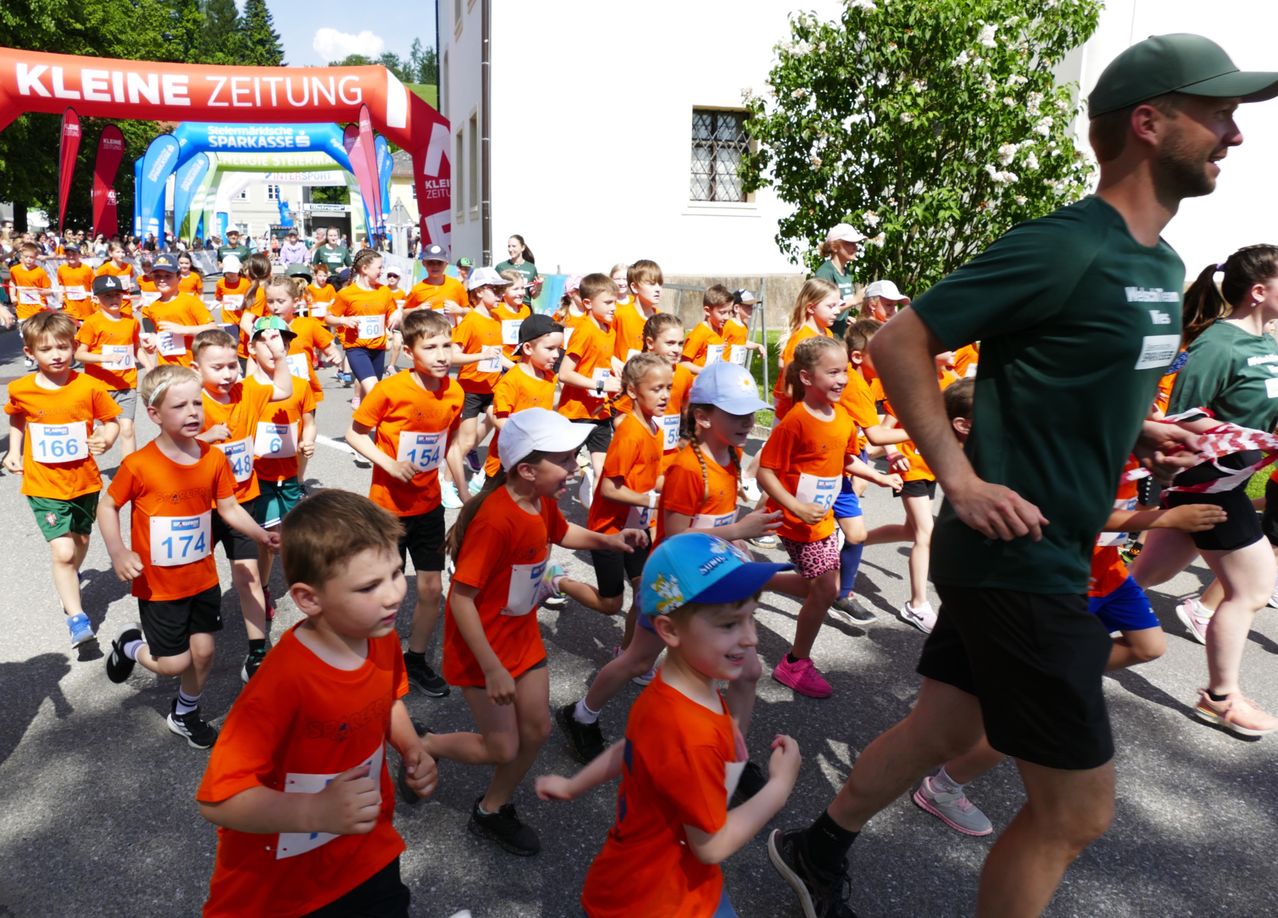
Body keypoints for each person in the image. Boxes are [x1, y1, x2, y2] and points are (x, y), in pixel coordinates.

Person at [766, 33, 1274, 917]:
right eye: (1219, 113)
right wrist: (957, 479)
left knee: (946, 727)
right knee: (1076, 811)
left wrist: (1145, 430)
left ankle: (816, 847)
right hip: (1020, 559)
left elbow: (1082, 377)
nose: (1234, 135)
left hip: (1052, 549)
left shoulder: (1157, 267)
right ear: (1148, 124)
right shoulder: (1068, 244)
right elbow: (897, 340)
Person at [914, 381, 1226, 837]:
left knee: (1149, 646)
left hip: (1109, 574)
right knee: (1021, 720)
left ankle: (1062, 673)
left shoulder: (1119, 430)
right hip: (1068, 581)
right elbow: (1077, 514)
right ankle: (944, 785)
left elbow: (1133, 487)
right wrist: (1164, 519)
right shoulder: (1062, 441)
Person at [196, 489, 437, 916]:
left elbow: (389, 700)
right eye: (369, 586)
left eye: (397, 573)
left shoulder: (378, 637)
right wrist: (315, 811)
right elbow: (219, 800)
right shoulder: (282, 683)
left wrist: (412, 748)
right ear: (309, 599)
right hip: (279, 882)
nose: (394, 595)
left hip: (364, 852)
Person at [536, 532, 800, 918]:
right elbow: (710, 845)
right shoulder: (690, 733)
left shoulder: (669, 694)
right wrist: (780, 786)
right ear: (670, 630)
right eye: (729, 624)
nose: (752, 638)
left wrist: (574, 784)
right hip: (661, 900)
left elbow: (633, 750)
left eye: (751, 617)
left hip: (659, 882)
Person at [420, 409, 645, 856]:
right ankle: (425, 743)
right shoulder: (496, 520)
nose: (575, 467)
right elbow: (461, 599)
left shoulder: (540, 502)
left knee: (537, 730)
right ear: (526, 469)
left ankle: (490, 809)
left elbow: (563, 533)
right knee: (503, 746)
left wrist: (610, 540)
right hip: (482, 649)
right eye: (564, 460)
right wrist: (492, 668)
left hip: (520, 637)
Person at [557, 361, 784, 766]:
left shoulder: (730, 456)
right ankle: (581, 714)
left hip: (711, 579)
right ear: (702, 416)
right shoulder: (685, 468)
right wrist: (738, 532)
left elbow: (718, 518)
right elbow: (678, 539)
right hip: (674, 580)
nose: (748, 421)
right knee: (638, 660)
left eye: (751, 413)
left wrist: (741, 539)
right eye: (736, 413)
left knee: (747, 672)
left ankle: (731, 756)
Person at [1129, 244, 1278, 735]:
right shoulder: (1218, 345)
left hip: (1230, 479)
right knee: (1252, 587)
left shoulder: (1269, 347)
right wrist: (1168, 486)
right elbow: (1182, 424)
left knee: (1147, 574)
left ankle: (1055, 623)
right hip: (1208, 486)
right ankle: (1221, 695)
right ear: (1259, 292)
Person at [101, 366, 278, 748]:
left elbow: (229, 509)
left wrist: (262, 535)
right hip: (159, 586)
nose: (193, 412)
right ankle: (130, 645)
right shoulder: (139, 465)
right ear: (154, 414)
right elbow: (108, 505)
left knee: (205, 652)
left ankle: (185, 713)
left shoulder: (213, 459)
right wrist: (118, 551)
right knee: (174, 664)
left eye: (197, 402)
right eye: (179, 406)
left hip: (202, 580)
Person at [760, 335, 901, 699]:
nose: (842, 379)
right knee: (825, 589)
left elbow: (847, 460)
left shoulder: (841, 417)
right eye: (833, 372)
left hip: (823, 518)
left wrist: (880, 476)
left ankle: (755, 579)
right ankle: (794, 663)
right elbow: (765, 472)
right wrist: (795, 506)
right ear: (807, 378)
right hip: (798, 522)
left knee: (817, 588)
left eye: (845, 373)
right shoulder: (795, 422)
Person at [346, 308, 469, 700]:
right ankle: (368, 660)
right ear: (410, 350)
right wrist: (388, 464)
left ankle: (415, 660)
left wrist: (465, 495)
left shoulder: (454, 392)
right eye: (430, 346)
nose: (441, 354)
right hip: (387, 509)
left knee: (432, 589)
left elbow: (448, 445)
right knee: (383, 592)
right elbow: (356, 434)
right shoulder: (392, 389)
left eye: (446, 345)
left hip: (430, 506)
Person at [4, 312, 121, 648]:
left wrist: (107, 437)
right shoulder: (21, 388)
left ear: (73, 347)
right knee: (63, 550)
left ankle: (70, 575)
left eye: (62, 346)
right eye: (45, 349)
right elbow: (17, 419)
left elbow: (111, 420)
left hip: (84, 482)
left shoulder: (89, 386)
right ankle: (77, 617)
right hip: (43, 485)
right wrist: (14, 452)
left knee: (81, 542)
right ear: (29, 353)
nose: (56, 354)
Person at [192, 328, 294, 680]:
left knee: (248, 575)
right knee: (198, 578)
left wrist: (278, 356)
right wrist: (203, 438)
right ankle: (189, 636)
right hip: (200, 506)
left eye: (232, 365)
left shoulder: (247, 390)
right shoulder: (190, 400)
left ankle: (257, 652)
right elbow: (170, 445)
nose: (226, 374)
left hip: (242, 500)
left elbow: (283, 389)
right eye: (216, 367)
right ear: (196, 369)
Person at [865, 341, 961, 633]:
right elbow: (886, 428)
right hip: (910, 467)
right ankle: (917, 605)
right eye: (951, 345)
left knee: (911, 530)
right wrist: (893, 453)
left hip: (932, 467)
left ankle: (854, 541)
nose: (957, 349)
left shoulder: (953, 382)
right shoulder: (910, 383)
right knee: (925, 533)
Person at [829, 319, 911, 624]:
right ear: (858, 356)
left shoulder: (867, 381)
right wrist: (920, 432)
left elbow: (874, 431)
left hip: (848, 458)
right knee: (814, 539)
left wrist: (891, 453)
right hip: (831, 465)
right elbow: (876, 433)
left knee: (855, 533)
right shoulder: (854, 384)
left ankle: (841, 593)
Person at [445, 266, 513, 501]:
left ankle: (481, 476)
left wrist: (519, 369)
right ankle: (446, 484)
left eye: (501, 290)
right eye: (496, 290)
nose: (500, 295)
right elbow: (453, 356)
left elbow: (498, 355)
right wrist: (479, 357)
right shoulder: (470, 321)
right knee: (464, 441)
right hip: (471, 389)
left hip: (493, 388)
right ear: (480, 292)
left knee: (503, 428)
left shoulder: (496, 319)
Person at [557, 273, 624, 502]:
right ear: (587, 303)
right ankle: (542, 518)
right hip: (576, 413)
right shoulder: (584, 330)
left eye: (615, 301)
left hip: (600, 411)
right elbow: (564, 373)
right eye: (607, 302)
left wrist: (617, 365)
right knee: (559, 472)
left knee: (602, 470)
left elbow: (602, 357)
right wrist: (601, 384)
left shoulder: (609, 329)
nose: (614, 307)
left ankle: (597, 528)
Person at [74, 275, 157, 457]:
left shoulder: (131, 321)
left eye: (117, 295)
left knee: (127, 428)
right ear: (95, 299)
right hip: (101, 386)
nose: (113, 299)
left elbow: (136, 349)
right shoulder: (91, 323)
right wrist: (105, 357)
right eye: (107, 296)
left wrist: (150, 367)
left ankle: (129, 470)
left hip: (127, 384)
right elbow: (79, 354)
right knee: (105, 432)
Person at [327, 250, 399, 409]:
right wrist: (343, 320)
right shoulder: (347, 294)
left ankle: (358, 429)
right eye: (379, 267)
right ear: (365, 269)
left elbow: (393, 311)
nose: (382, 271)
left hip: (378, 348)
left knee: (368, 398)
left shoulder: (384, 291)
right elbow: (328, 317)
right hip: (356, 348)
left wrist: (396, 315)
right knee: (374, 389)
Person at [769, 278, 839, 422]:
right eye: (831, 306)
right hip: (791, 414)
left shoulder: (828, 333)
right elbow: (789, 388)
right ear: (811, 308)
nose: (837, 311)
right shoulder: (801, 339)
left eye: (837, 305)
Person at [142, 252, 218, 368]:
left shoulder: (191, 301)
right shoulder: (152, 307)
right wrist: (153, 339)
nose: (162, 280)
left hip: (191, 367)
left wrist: (184, 330)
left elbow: (212, 328)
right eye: (158, 276)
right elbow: (160, 334)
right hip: (166, 368)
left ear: (179, 278)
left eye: (168, 276)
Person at [815, 223, 862, 339]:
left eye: (856, 243)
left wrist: (847, 319)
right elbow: (821, 311)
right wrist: (854, 300)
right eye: (849, 243)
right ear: (834, 246)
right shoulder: (825, 273)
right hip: (826, 341)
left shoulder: (847, 273)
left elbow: (840, 308)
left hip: (840, 339)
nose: (855, 247)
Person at [404, 243, 468, 326]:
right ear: (424, 263)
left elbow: (470, 312)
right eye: (430, 262)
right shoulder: (417, 289)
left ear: (446, 264)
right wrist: (417, 309)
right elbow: (404, 313)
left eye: (439, 263)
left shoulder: (456, 285)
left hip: (451, 337)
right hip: (428, 337)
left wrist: (459, 310)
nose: (435, 266)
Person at [612, 258, 663, 362]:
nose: (658, 289)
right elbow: (599, 345)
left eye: (660, 284)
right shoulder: (619, 314)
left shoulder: (661, 318)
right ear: (634, 287)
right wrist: (612, 360)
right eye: (651, 284)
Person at [679, 283, 734, 375]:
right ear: (707, 311)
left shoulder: (720, 329)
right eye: (723, 312)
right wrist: (705, 371)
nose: (727, 317)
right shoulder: (699, 333)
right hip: (697, 385)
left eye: (729, 312)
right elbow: (683, 363)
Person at [56, 243, 96, 324]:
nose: (71, 257)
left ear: (79, 254)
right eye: (68, 254)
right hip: (69, 309)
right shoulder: (61, 269)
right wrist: (60, 296)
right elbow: (61, 284)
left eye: (74, 254)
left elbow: (94, 285)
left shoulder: (87, 269)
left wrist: (94, 299)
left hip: (85, 309)